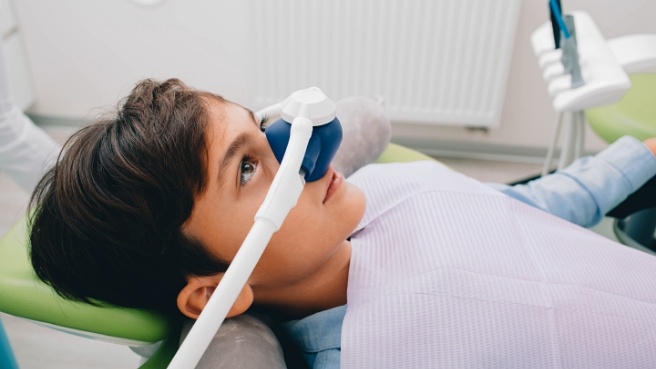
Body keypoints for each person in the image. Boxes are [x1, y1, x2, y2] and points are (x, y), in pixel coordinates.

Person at [28, 79, 656, 368]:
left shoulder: (387, 190)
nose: (300, 155)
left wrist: (638, 156)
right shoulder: (365, 354)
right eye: (246, 170)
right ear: (218, 290)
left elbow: (527, 214)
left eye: (265, 133)